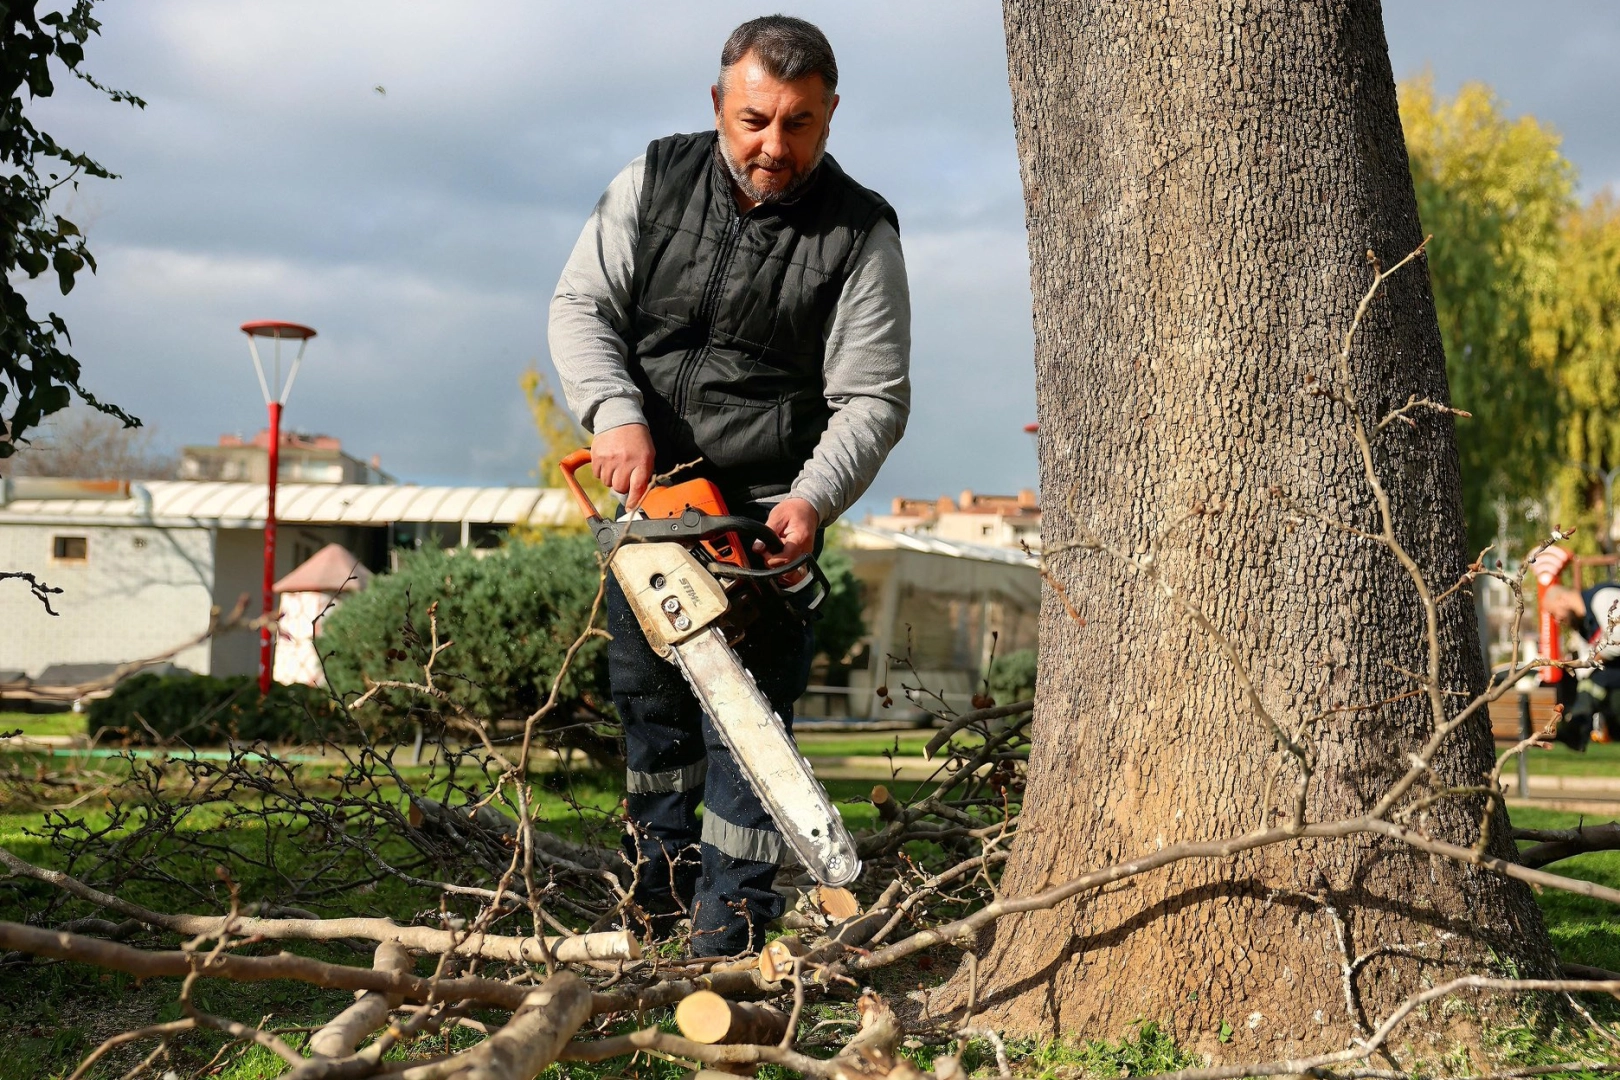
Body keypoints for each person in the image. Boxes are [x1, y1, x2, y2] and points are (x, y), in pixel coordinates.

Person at [547, 15, 910, 955]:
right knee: (650, 719)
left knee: (748, 743)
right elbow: (582, 304)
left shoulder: (859, 231)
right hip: (648, 510)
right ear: (719, 104)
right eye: (754, 120)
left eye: (798, 125)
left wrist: (814, 499)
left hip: (758, 519)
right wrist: (612, 412)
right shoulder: (656, 177)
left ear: (830, 118)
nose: (772, 146)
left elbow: (871, 396)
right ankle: (653, 910)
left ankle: (734, 933)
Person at [1541, 581, 1620, 749]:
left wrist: (1589, 663)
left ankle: (1576, 730)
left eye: (1554, 613)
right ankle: (1576, 727)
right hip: (1612, 681)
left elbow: (1617, 641)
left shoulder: (1603, 598)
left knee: (1592, 683)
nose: (1557, 620)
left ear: (1562, 599)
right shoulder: (1583, 626)